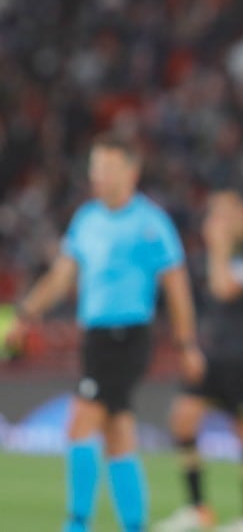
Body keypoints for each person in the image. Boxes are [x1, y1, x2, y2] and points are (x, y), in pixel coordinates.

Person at [6, 132, 204, 532]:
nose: (98, 176)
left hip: (127, 337)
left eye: (108, 168)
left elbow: (177, 287)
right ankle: (134, 526)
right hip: (95, 338)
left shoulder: (151, 223)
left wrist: (186, 345)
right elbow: (62, 278)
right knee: (117, 433)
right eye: (95, 168)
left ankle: (76, 524)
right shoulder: (87, 219)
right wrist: (25, 313)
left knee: (80, 425)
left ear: (131, 171)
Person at [155, 190, 243, 532]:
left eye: (225, 213)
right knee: (183, 418)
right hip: (215, 353)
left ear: (241, 216)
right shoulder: (220, 254)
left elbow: (224, 288)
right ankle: (197, 508)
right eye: (214, 213)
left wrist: (217, 247)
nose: (217, 221)